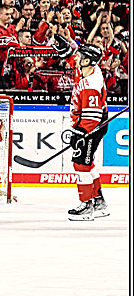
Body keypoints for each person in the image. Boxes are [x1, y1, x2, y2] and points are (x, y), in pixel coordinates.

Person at [56, 39, 110, 220]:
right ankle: (99, 203)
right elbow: (76, 65)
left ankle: (86, 207)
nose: (77, 58)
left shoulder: (91, 85)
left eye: (80, 56)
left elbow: (92, 117)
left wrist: (79, 133)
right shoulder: (88, 69)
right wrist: (67, 54)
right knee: (87, 163)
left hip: (92, 126)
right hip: (90, 124)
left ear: (87, 60)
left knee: (81, 164)